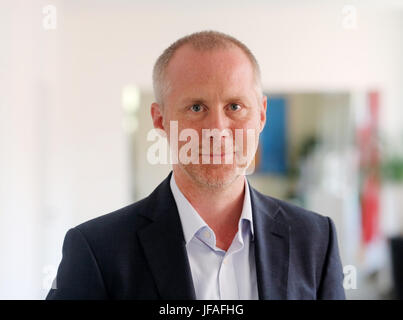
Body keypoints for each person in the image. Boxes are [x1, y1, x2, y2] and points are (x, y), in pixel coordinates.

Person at [46, 30, 345, 300]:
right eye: (197, 107)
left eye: (235, 107)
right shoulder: (95, 250)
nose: (217, 129)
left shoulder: (316, 239)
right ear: (160, 120)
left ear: (262, 115)